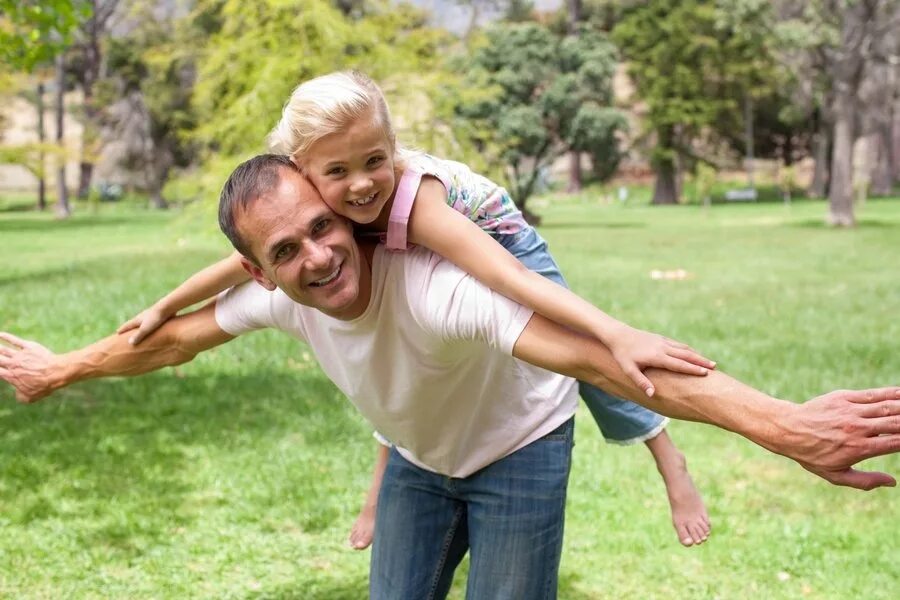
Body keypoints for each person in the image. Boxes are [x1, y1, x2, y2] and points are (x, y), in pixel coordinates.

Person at [2, 156, 899, 600]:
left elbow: (601, 358)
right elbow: (168, 342)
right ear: (257, 273)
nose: (319, 256)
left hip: (520, 451)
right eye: (285, 251)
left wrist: (778, 424)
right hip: (421, 462)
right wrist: (62, 369)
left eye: (324, 225)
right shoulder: (281, 301)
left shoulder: (432, 287)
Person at [117, 70, 713, 548]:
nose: (361, 184)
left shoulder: (414, 203)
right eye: (338, 171)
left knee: (586, 359)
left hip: (503, 245)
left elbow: (501, 272)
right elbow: (240, 262)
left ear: (392, 147)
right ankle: (382, 490)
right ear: (303, 172)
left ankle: (668, 458)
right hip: (438, 266)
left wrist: (617, 331)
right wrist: (164, 304)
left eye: (375, 160)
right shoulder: (320, 214)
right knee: (392, 349)